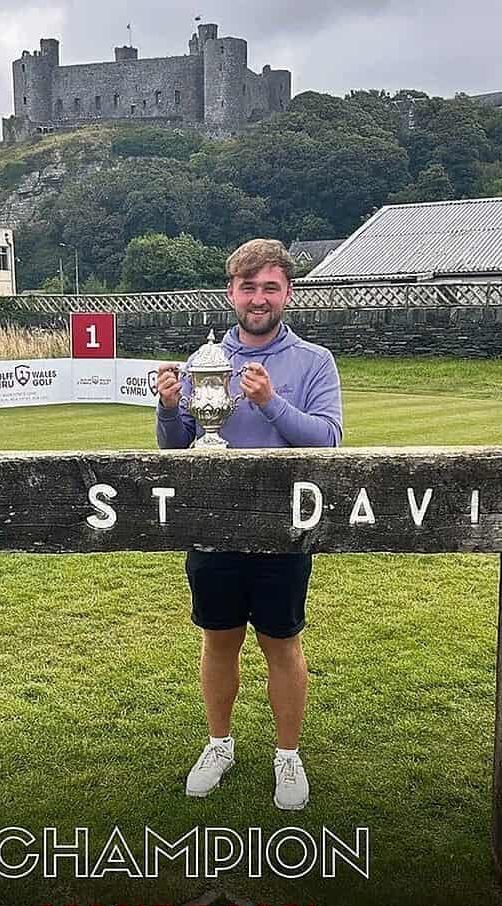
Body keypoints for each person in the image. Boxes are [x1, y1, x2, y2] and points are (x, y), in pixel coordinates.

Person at [155, 238, 343, 811]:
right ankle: (219, 744)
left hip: (284, 527)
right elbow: (181, 444)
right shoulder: (201, 363)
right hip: (212, 524)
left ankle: (288, 755)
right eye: (248, 286)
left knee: (281, 644)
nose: (258, 298)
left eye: (270, 287)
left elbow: (329, 440)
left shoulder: (314, 362)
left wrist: (271, 405)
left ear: (288, 293)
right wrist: (167, 409)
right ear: (231, 292)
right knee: (218, 641)